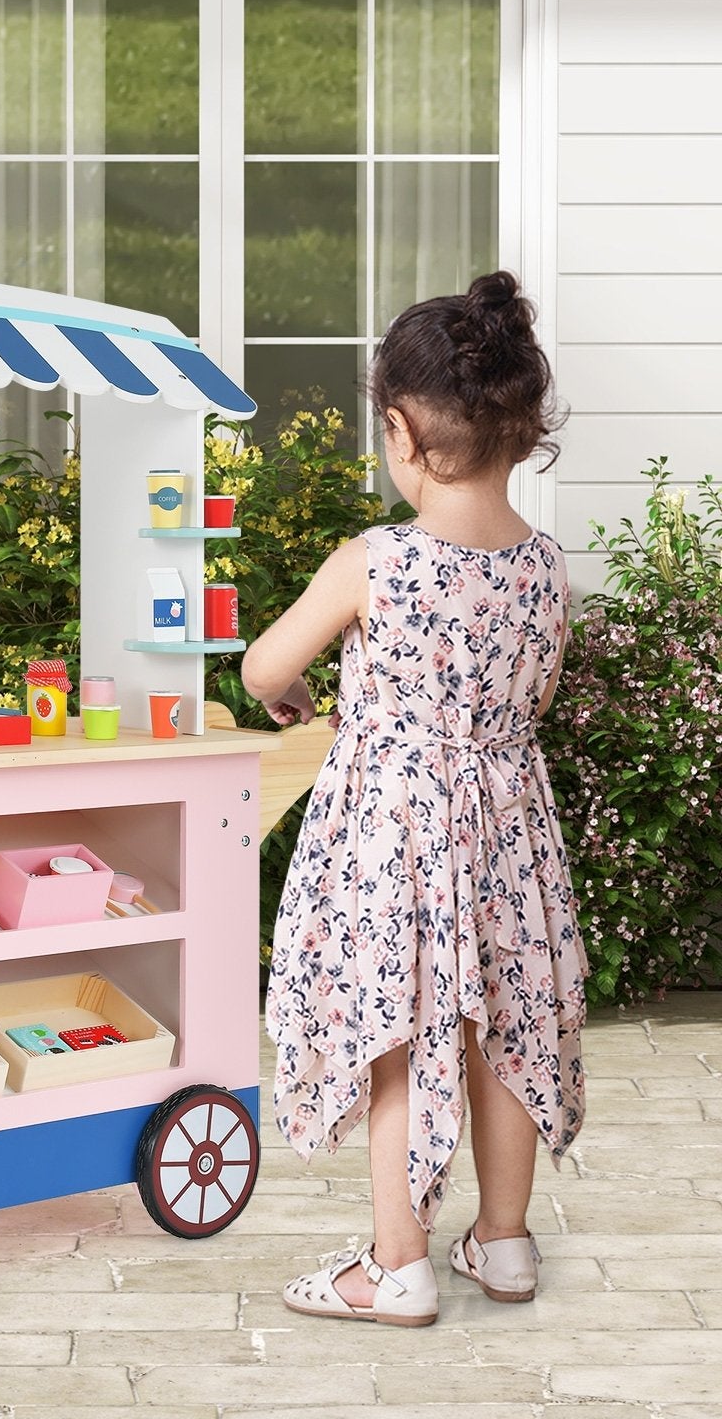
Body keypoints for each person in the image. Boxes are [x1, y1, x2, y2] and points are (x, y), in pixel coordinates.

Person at [243, 270, 587, 1327]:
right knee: (507, 1028)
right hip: (510, 835)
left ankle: (397, 1263)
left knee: (399, 1027)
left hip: (393, 832)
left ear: (397, 429)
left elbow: (264, 670)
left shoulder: (373, 562)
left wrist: (307, 693)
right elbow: (526, 689)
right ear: (521, 430)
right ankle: (505, 1243)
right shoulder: (547, 570)